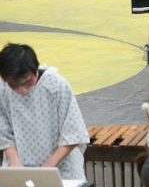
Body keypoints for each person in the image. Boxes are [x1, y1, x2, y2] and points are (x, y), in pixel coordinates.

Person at [0, 43, 89, 180]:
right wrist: (15, 163)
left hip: (62, 171)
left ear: (35, 70)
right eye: (14, 85)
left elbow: (73, 133)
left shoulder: (56, 86)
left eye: (27, 82)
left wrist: (45, 170)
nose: (22, 90)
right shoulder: (3, 89)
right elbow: (3, 132)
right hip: (20, 169)